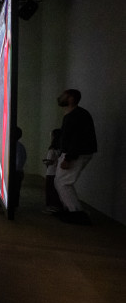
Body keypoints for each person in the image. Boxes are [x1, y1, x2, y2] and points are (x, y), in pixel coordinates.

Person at [54, 89, 97, 225]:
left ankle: (76, 213)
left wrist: (68, 158)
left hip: (75, 154)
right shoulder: (76, 114)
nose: (60, 98)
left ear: (71, 98)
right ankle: (73, 210)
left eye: (63, 96)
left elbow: (77, 139)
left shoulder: (77, 115)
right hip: (74, 153)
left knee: (63, 183)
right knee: (62, 182)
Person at [42, 128, 63, 214]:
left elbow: (50, 161)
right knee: (55, 191)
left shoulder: (51, 150)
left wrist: (46, 162)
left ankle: (51, 208)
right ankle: (56, 207)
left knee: (50, 190)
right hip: (57, 173)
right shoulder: (60, 150)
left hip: (50, 173)